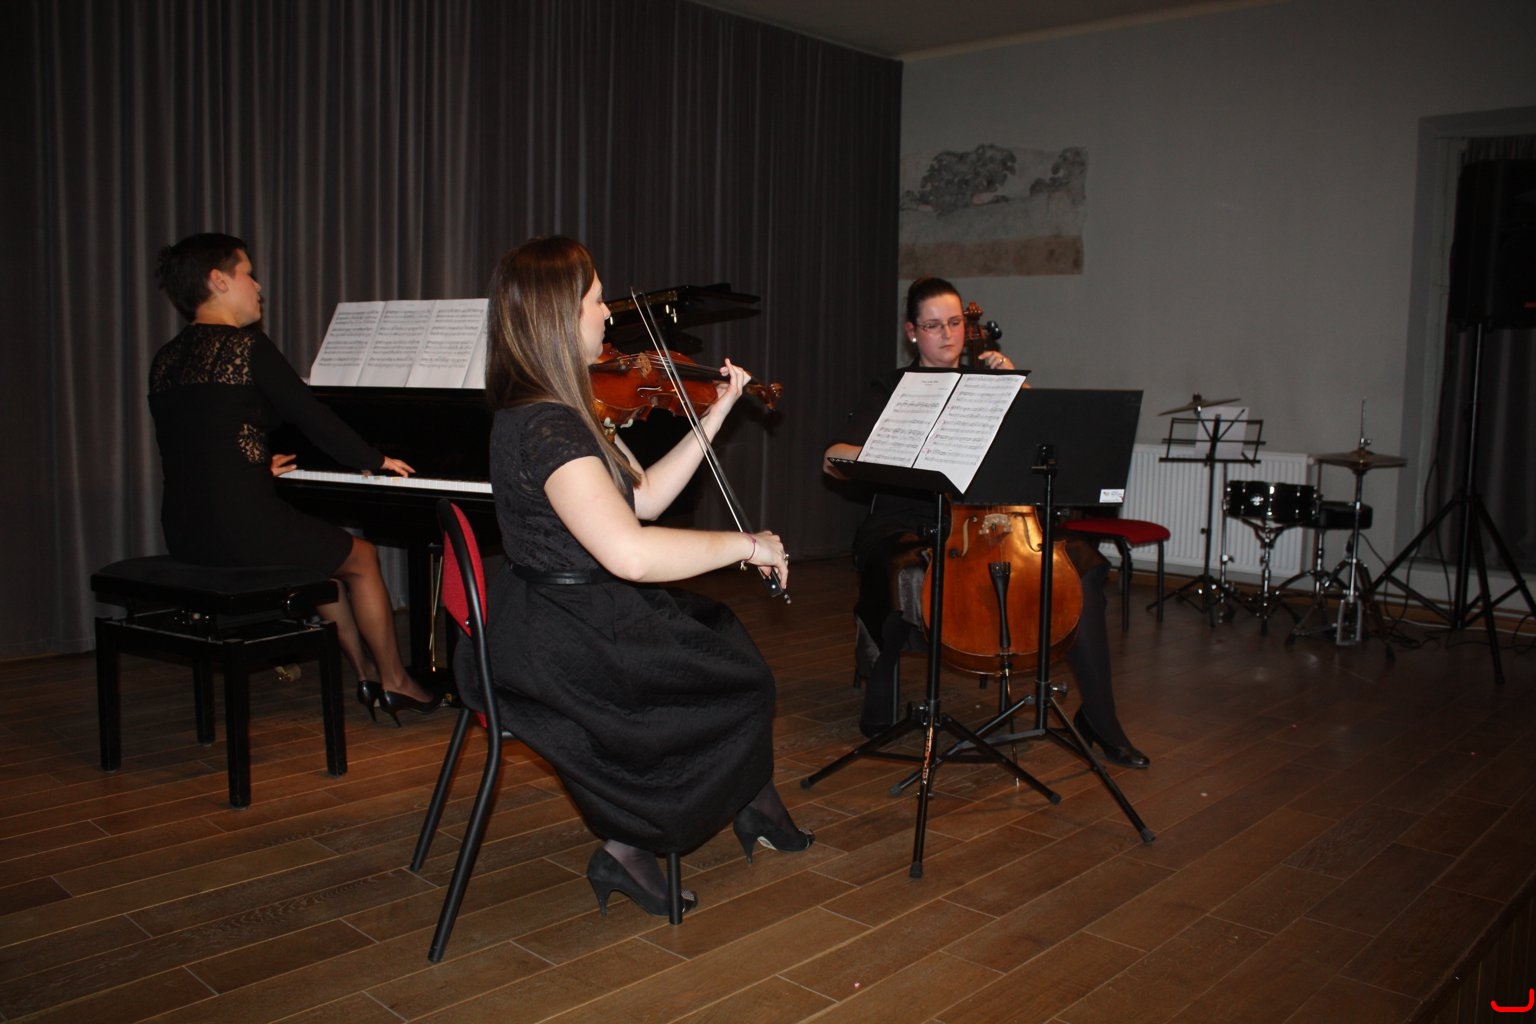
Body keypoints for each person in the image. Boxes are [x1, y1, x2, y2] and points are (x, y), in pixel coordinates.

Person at [479, 235, 811, 918]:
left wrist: (714, 414)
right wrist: (746, 544)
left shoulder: (563, 409)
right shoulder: (551, 430)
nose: (609, 314)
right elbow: (630, 554)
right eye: (597, 300)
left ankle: (744, 803)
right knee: (741, 683)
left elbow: (646, 498)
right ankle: (633, 844)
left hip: (562, 611)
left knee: (719, 634)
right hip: (566, 636)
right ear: (559, 315)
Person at [822, 276, 1149, 768]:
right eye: (933, 325)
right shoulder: (891, 388)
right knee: (893, 567)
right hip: (908, 517)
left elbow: (1042, 452)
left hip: (987, 520)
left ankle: (1102, 718)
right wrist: (893, 452)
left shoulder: (992, 384)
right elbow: (834, 456)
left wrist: (1020, 391)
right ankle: (881, 681)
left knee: (1083, 563)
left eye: (955, 323)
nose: (948, 335)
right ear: (912, 332)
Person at [149, 232, 442, 725]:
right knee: (362, 558)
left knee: (324, 560)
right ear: (219, 280)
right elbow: (313, 419)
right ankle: (395, 680)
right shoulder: (246, 347)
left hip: (185, 531)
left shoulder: (166, 359)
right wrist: (373, 458)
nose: (258, 287)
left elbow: (192, 443)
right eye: (248, 273)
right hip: (240, 528)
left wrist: (254, 466)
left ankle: (365, 673)